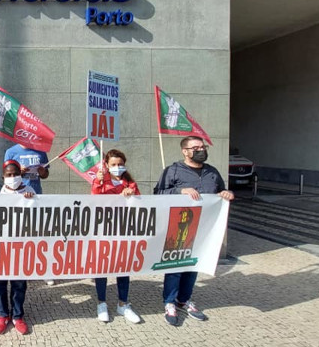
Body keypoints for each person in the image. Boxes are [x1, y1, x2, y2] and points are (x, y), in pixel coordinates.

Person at [154, 136, 235, 326]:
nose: (201, 150)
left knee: (193, 265)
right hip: (179, 227)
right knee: (175, 266)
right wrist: (179, 191)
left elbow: (222, 192)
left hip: (204, 229)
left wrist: (226, 194)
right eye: (195, 147)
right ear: (185, 151)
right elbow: (157, 194)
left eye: (203, 146)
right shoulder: (172, 171)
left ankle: (184, 299)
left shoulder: (212, 172)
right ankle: (169, 302)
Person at [0, 160, 34, 335]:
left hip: (21, 246)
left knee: (19, 283)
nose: (12, 177)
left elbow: (39, 215)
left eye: (15, 174)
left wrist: (31, 201)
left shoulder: (29, 191)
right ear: (3, 177)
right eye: (9, 175)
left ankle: (17, 316)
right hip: (0, 245)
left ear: (21, 174)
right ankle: (2, 314)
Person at [91, 149, 142, 324]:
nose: (117, 167)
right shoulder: (99, 182)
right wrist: (99, 181)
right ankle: (101, 303)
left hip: (124, 231)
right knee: (102, 267)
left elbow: (140, 204)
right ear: (106, 165)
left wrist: (131, 195)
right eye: (113, 164)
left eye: (120, 164)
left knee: (123, 267)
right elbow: (95, 199)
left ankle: (123, 304)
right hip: (104, 231)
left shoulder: (131, 184)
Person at [3, 144, 54, 285]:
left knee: (37, 235)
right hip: (14, 199)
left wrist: (43, 171)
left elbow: (45, 175)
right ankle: (16, 268)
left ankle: (43, 270)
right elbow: (7, 172)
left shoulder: (40, 151)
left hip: (33, 196)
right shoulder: (10, 151)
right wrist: (19, 171)